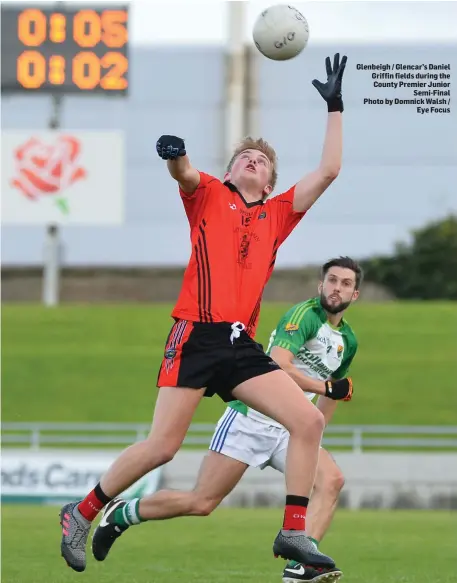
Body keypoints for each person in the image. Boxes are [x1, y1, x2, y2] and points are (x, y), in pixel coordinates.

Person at [60, 53, 348, 573]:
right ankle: (82, 512)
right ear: (231, 168)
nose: (252, 160)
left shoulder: (278, 214)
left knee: (307, 420)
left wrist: (335, 107)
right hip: (194, 334)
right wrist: (176, 155)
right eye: (244, 156)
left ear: (271, 178)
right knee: (162, 447)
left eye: (261, 160)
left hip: (240, 345)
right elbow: (185, 172)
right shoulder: (210, 194)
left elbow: (329, 170)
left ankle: (293, 534)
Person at [94, 256, 361, 583]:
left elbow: (334, 393)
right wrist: (326, 387)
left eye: (345, 284)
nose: (337, 288)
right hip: (251, 418)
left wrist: (315, 432)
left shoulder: (348, 341)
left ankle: (303, 565)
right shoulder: (304, 315)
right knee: (201, 502)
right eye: (332, 281)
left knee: (331, 480)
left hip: (292, 428)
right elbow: (278, 365)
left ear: (355, 294)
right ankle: (122, 513)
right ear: (321, 285)